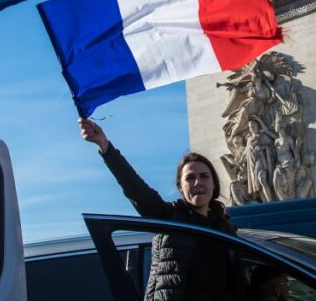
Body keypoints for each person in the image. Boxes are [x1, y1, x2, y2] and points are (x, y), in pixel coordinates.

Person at [79, 118, 240, 301]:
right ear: (180, 187)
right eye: (190, 178)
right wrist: (105, 146)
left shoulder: (226, 228)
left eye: (204, 176)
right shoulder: (169, 217)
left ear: (214, 184)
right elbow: (135, 187)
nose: (197, 182)